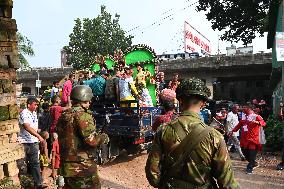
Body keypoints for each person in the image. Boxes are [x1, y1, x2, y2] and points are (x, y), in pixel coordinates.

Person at [146, 78, 239, 188]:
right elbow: (227, 181)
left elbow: (152, 172)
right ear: (203, 104)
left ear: (179, 101)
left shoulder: (163, 130)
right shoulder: (215, 136)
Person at [56, 85, 109, 189]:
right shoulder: (83, 115)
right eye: (89, 101)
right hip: (82, 168)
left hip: (67, 167)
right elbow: (92, 141)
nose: (89, 103)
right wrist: (103, 137)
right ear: (85, 99)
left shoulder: (64, 115)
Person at [230, 102, 266, 174]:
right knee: (245, 155)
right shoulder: (244, 117)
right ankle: (253, 163)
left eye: (244, 107)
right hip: (244, 140)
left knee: (251, 154)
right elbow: (239, 125)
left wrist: (257, 122)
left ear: (248, 108)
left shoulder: (256, 116)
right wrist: (232, 131)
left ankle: (250, 168)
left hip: (253, 140)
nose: (242, 109)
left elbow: (263, 123)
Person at [18, 97, 46, 189]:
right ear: (29, 104)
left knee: (35, 163)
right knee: (23, 166)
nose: (36, 106)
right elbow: (26, 127)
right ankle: (24, 185)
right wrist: (39, 136)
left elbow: (33, 127)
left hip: (33, 142)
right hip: (24, 142)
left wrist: (40, 133)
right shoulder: (24, 113)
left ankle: (38, 184)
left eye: (37, 105)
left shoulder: (34, 113)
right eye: (35, 104)